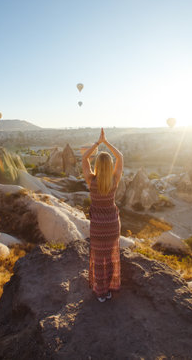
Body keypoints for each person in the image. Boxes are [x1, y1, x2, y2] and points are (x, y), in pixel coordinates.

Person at [82, 128, 123, 303]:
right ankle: (111, 288)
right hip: (112, 223)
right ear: (109, 166)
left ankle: (101, 292)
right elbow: (120, 157)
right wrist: (107, 143)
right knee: (111, 255)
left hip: (98, 224)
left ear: (97, 165)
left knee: (99, 258)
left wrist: (98, 143)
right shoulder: (114, 180)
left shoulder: (91, 180)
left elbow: (84, 158)